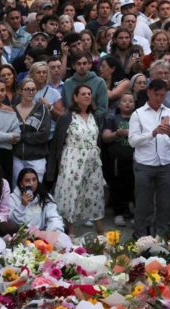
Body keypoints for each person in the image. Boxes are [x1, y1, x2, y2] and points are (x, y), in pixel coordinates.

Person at [129, 78, 170, 238]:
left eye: (162, 95)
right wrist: (152, 133)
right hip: (144, 164)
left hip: (167, 164)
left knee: (166, 204)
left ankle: (162, 239)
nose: (159, 98)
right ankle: (141, 238)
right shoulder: (138, 114)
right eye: (156, 94)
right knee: (143, 204)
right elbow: (132, 141)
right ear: (148, 92)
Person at [49, 84, 105, 236]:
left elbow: (98, 140)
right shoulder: (67, 117)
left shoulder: (96, 117)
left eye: (89, 93)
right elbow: (57, 142)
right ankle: (71, 232)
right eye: (83, 94)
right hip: (72, 160)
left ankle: (100, 231)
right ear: (75, 97)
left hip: (93, 161)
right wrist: (56, 165)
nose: (87, 96)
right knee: (71, 194)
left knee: (95, 194)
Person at [102, 92, 138, 228]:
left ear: (134, 104)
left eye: (130, 101)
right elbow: (105, 137)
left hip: (135, 158)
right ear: (119, 104)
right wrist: (117, 133)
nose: (128, 103)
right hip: (117, 158)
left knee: (135, 186)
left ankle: (136, 213)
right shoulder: (112, 119)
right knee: (117, 186)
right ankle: (119, 213)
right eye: (124, 101)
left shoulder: (138, 119)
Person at [13, 77, 52, 181]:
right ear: (20, 91)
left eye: (33, 89)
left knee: (35, 191)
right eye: (27, 89)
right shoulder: (12, 110)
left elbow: (44, 135)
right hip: (17, 158)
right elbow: (9, 133)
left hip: (37, 159)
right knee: (17, 190)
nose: (30, 92)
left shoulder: (43, 110)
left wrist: (21, 136)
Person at [10, 167, 64, 232]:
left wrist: (55, 231)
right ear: (21, 184)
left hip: (42, 235)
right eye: (27, 180)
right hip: (21, 235)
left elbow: (53, 217)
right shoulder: (13, 198)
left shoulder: (45, 196)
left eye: (34, 180)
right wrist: (22, 205)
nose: (31, 183)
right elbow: (13, 222)